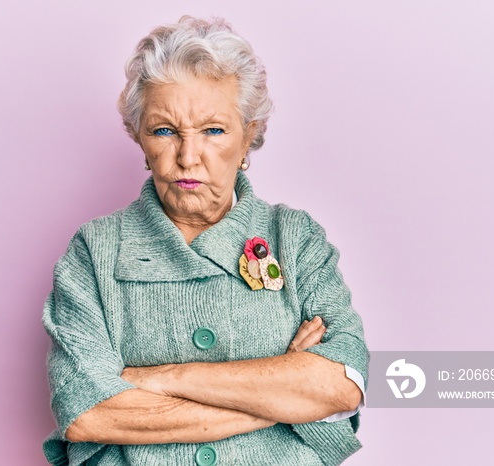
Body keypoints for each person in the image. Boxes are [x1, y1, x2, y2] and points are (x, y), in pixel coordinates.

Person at [42, 16, 369, 466]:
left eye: (214, 130)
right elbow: (88, 413)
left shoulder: (296, 240)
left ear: (249, 134)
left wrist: (162, 378)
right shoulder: (93, 252)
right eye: (164, 130)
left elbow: (341, 385)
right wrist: (279, 399)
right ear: (139, 137)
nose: (187, 156)